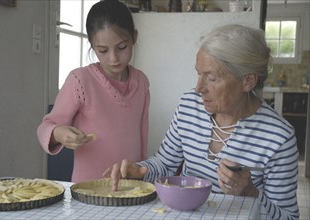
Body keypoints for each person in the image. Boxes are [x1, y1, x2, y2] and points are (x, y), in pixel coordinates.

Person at [103, 24, 299, 219]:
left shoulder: (279, 137)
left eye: (211, 78)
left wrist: (250, 193)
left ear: (247, 81)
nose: (198, 88)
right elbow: (165, 164)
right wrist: (140, 171)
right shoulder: (190, 106)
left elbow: (288, 217)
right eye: (199, 74)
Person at [37, 0, 150, 183]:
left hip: (132, 187)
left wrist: (144, 174)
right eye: (103, 50)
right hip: (88, 189)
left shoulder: (141, 82)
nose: (113, 58)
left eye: (122, 47)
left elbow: (142, 136)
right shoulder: (80, 81)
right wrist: (59, 133)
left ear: (134, 38)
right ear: (92, 45)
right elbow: (45, 127)